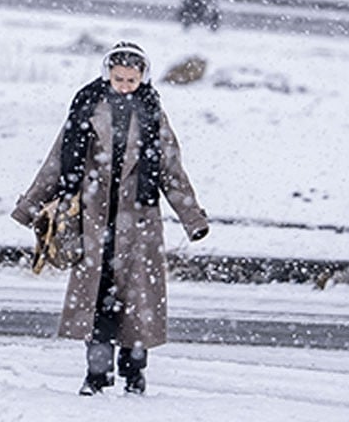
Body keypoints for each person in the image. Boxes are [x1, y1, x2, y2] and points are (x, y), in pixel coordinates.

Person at [12, 41, 210, 395]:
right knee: (97, 300)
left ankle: (135, 374)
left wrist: (192, 218)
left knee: (138, 302)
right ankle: (95, 374)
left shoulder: (152, 112)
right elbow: (58, 159)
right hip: (93, 218)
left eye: (131, 80)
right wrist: (30, 205)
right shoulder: (88, 105)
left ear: (143, 78)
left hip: (139, 220)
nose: (124, 85)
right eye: (118, 78)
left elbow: (170, 169)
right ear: (108, 74)